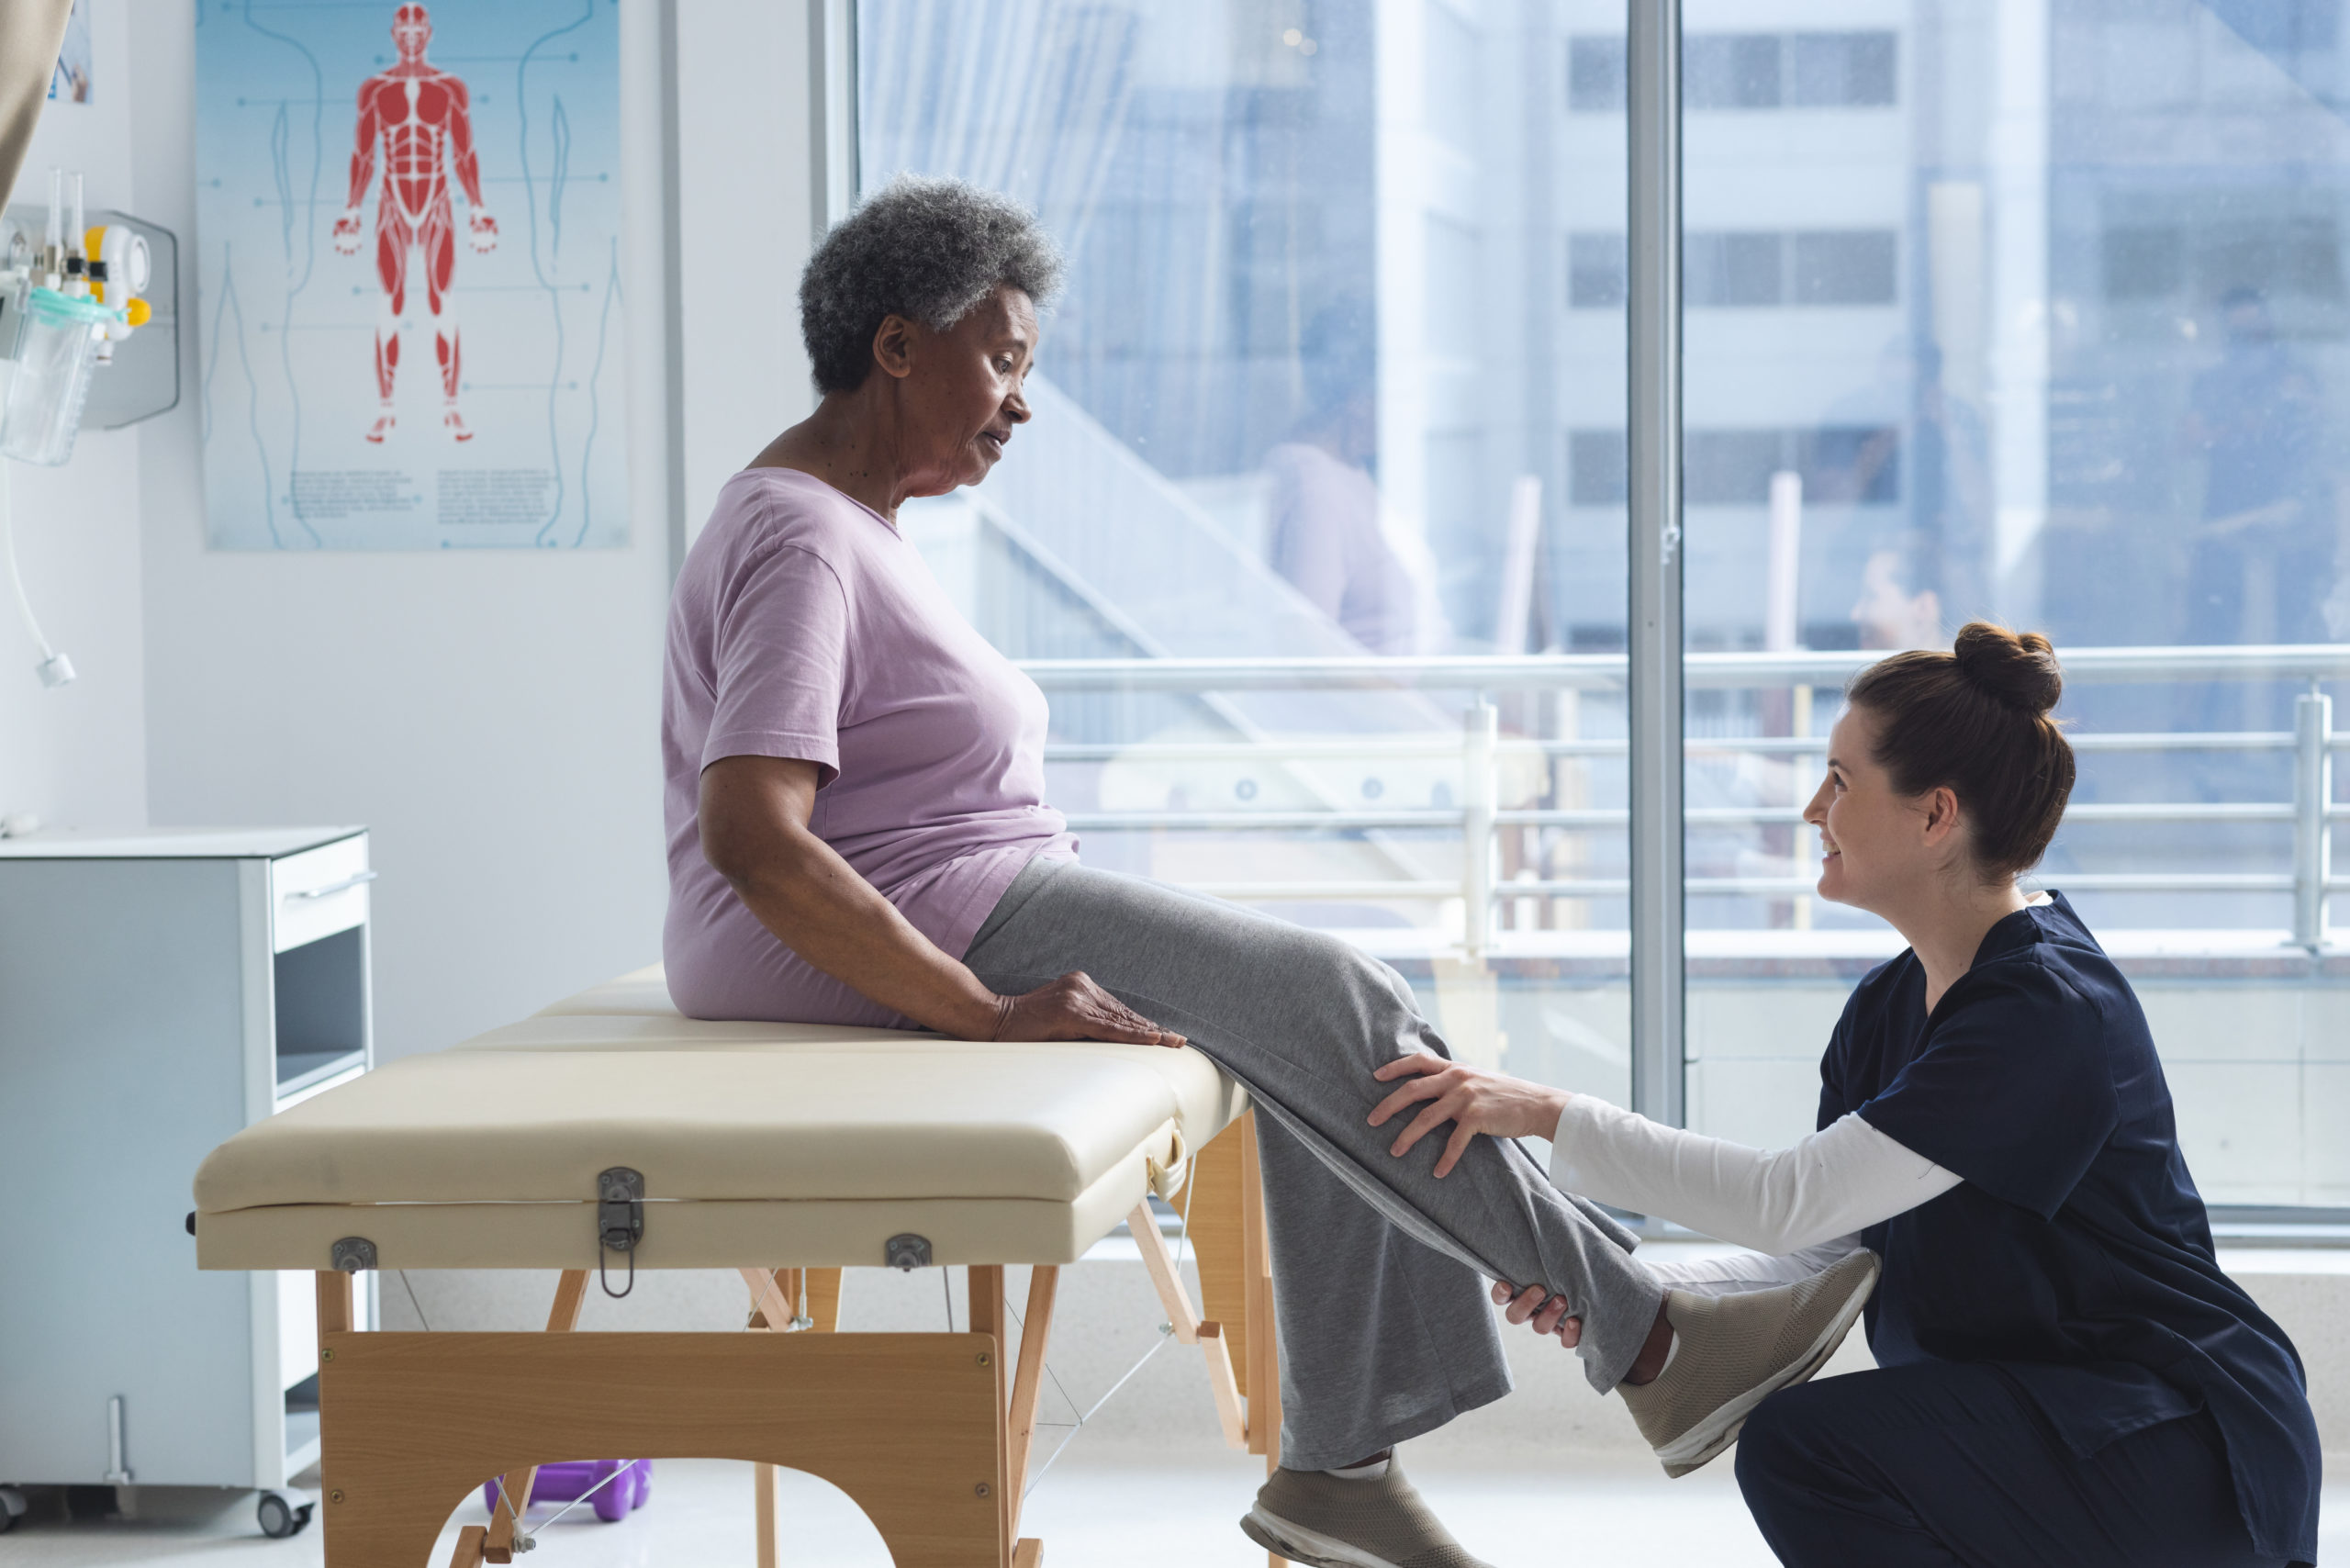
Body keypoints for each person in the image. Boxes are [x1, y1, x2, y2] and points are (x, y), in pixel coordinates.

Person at [662, 174, 1881, 1568]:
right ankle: (1650, 1333)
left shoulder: (845, 525)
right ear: (896, 346)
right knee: (1333, 991)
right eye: (1001, 359)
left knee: (1324, 1024)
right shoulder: (803, 535)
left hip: (966, 891)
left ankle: (1343, 1470)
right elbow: (753, 834)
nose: (1020, 402)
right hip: (941, 916)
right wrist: (987, 1016)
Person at [1368, 623, 2321, 1567]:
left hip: (2179, 1448)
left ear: (1934, 815)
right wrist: (1622, 1288)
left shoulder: (2043, 1012)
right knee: (1804, 1445)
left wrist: (1544, 1111)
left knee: (1807, 1447)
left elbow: (1788, 1198)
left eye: (1839, 780)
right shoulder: (1886, 1007)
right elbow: (1826, 1249)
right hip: (2052, 1425)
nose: (1809, 808)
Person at [1262, 299, 1419, 653]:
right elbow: (1311, 653)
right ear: (1359, 402)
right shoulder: (1317, 492)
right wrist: (1420, 710)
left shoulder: (1348, 466)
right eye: (1401, 397)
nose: (1409, 415)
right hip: (1376, 706)